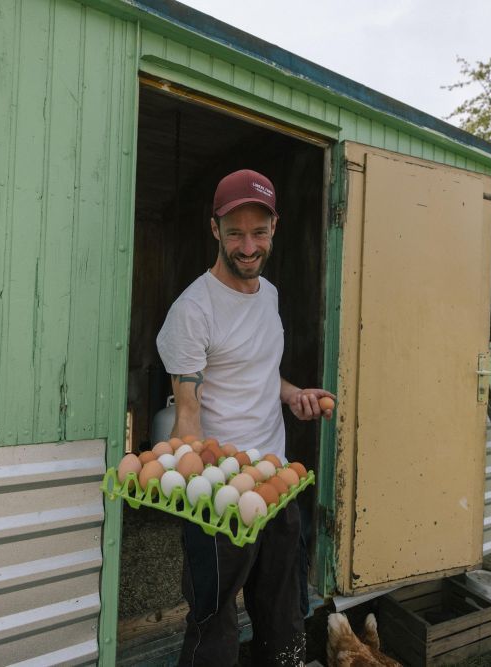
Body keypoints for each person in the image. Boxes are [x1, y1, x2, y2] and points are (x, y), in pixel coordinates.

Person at [156, 169, 334, 666]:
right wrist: (188, 485)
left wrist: (294, 394)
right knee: (215, 622)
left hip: (275, 480)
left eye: (258, 231)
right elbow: (187, 413)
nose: (248, 245)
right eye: (235, 232)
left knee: (283, 613)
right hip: (219, 490)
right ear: (215, 230)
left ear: (274, 227)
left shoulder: (270, 295)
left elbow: (260, 372)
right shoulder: (192, 311)